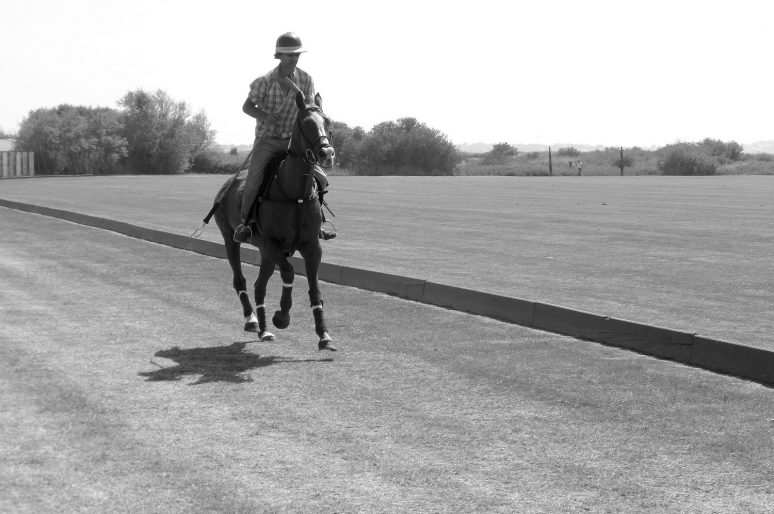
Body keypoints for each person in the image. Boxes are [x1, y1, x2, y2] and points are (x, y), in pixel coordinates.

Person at [234, 32, 331, 242]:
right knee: (253, 182)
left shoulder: (306, 79)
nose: (293, 59)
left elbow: (309, 109)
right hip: (267, 141)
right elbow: (247, 107)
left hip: (293, 143)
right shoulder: (264, 82)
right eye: (289, 55)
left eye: (296, 55)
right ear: (279, 55)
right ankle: (246, 225)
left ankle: (317, 223)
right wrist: (264, 116)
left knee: (321, 178)